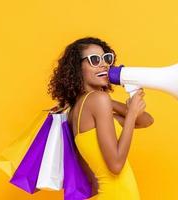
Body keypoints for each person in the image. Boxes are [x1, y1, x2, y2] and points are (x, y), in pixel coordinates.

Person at [48, 37, 154, 199]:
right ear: (78, 68)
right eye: (94, 60)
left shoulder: (81, 106)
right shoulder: (97, 100)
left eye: (107, 58)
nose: (104, 64)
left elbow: (146, 120)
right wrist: (131, 113)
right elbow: (116, 165)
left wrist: (115, 104)